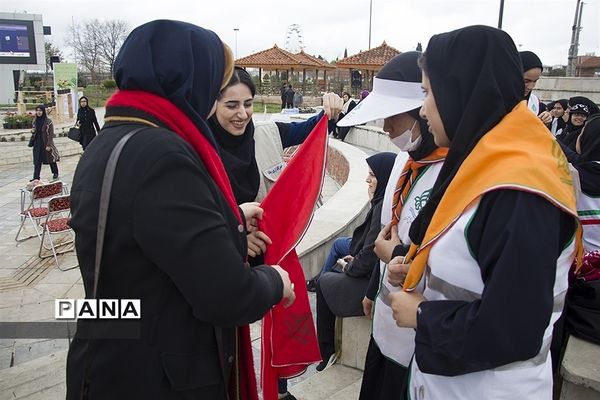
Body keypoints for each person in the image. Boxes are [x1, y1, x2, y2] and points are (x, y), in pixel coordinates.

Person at [65, 20, 295, 400]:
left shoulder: (112, 139)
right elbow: (226, 295)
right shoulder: (163, 155)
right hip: (158, 375)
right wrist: (274, 282)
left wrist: (231, 219)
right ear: (190, 80)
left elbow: (146, 234)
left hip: (108, 356)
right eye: (212, 83)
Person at [389, 25, 581, 399]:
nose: (424, 109)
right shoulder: (481, 161)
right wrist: (412, 264)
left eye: (428, 93)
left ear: (461, 91)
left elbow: (516, 325)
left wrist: (423, 316)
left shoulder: (520, 190)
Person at [209, 67, 341, 400]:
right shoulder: (197, 149)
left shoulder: (267, 134)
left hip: (269, 252)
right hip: (223, 258)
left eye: (248, 104)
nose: (242, 114)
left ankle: (278, 388)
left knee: (276, 325)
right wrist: (237, 233)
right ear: (213, 105)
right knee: (227, 338)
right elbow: (195, 216)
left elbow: (311, 128)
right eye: (231, 105)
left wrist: (329, 110)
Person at [337, 51, 447, 400]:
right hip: (385, 328)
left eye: (393, 119)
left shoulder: (452, 175)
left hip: (418, 342)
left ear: (421, 112)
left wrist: (396, 254)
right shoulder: (404, 161)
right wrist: (373, 288)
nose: (385, 129)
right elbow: (384, 231)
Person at [313, 152, 396, 372]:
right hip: (373, 276)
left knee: (324, 282)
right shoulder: (383, 204)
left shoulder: (381, 210)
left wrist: (349, 265)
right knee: (333, 272)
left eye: (372, 176)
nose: (368, 180)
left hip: (371, 285)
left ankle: (327, 350)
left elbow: (368, 259)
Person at [519, 50, 552, 124]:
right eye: (526, 81)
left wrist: (545, 119)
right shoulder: (496, 102)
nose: (531, 87)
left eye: (535, 81)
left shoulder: (534, 102)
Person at [30, 104, 59, 181]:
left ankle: (55, 172)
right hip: (37, 143)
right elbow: (33, 130)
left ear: (43, 111)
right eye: (37, 110)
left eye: (40, 110)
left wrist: (49, 145)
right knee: (37, 160)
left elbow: (51, 134)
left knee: (50, 158)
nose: (39, 112)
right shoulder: (35, 121)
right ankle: (36, 177)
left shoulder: (48, 121)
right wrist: (32, 131)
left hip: (46, 142)